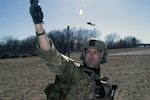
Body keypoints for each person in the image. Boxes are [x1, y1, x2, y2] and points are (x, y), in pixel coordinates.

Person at [30, 0, 116, 100]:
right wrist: (38, 24)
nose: (91, 55)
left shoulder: (105, 85)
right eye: (88, 52)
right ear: (84, 54)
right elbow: (51, 56)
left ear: (102, 56)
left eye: (95, 52)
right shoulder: (73, 71)